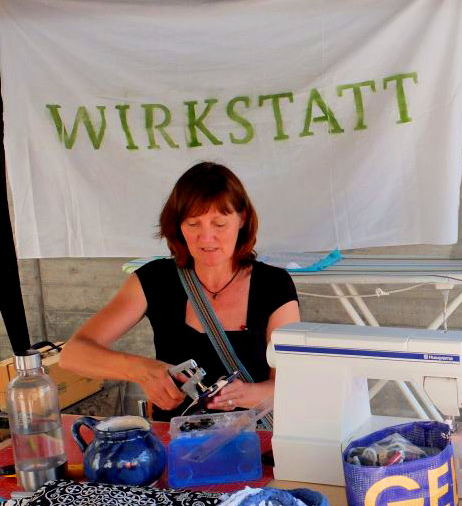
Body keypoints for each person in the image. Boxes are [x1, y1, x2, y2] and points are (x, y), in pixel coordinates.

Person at [61, 162, 300, 421]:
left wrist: (244, 394)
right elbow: (73, 354)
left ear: (242, 219)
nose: (206, 238)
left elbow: (290, 386)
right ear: (178, 225)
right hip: (176, 442)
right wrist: (142, 370)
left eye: (219, 224)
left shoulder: (274, 284)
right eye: (193, 224)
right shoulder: (154, 279)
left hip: (253, 442)